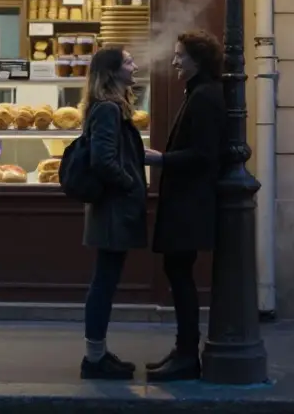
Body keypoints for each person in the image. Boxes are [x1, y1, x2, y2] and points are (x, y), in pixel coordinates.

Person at [143, 30, 226, 382]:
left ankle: (187, 355)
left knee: (180, 277)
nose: (175, 60)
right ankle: (183, 350)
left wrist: (160, 160)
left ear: (198, 60)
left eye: (181, 55)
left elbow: (205, 155)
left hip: (190, 203)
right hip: (186, 201)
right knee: (177, 275)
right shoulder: (199, 92)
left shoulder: (205, 97)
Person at [78, 45, 148, 380]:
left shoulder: (108, 108)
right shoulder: (107, 109)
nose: (134, 65)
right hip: (112, 210)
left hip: (112, 208)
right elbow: (103, 160)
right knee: (104, 283)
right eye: (128, 61)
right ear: (112, 71)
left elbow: (115, 152)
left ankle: (99, 352)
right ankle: (94, 359)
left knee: (105, 280)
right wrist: (131, 183)